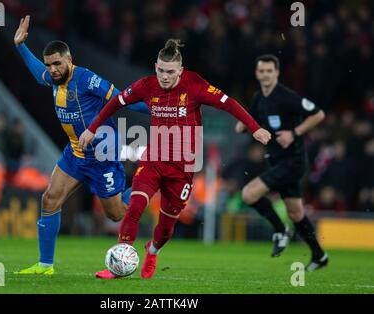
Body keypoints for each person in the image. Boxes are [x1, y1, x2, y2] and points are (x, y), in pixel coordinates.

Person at [79, 39, 271, 279]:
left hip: (182, 168)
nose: (164, 77)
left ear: (180, 71)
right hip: (153, 160)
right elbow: (116, 102)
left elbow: (228, 104)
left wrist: (254, 128)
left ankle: (153, 250)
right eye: (160, 70)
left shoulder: (195, 85)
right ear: (155, 66)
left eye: (170, 72)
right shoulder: (146, 86)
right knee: (135, 206)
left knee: (165, 229)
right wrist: (92, 128)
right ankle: (119, 264)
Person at [13, 16, 149, 275]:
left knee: (116, 214)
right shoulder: (53, 78)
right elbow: (36, 72)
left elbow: (122, 98)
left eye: (57, 64)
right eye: (49, 65)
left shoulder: (87, 80)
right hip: (75, 153)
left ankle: (145, 188)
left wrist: (158, 109)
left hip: (102, 154)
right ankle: (45, 265)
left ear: (69, 60)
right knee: (50, 199)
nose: (52, 69)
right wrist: (21, 46)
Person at [235, 54, 328, 271]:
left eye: (270, 71)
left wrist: (294, 133)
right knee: (296, 212)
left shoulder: (286, 97)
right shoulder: (259, 98)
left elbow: (318, 114)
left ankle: (280, 229)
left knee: (249, 194)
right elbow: (253, 119)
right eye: (262, 71)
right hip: (276, 161)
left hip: (292, 161)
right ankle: (319, 255)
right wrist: (245, 125)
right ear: (257, 73)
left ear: (277, 73)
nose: (266, 75)